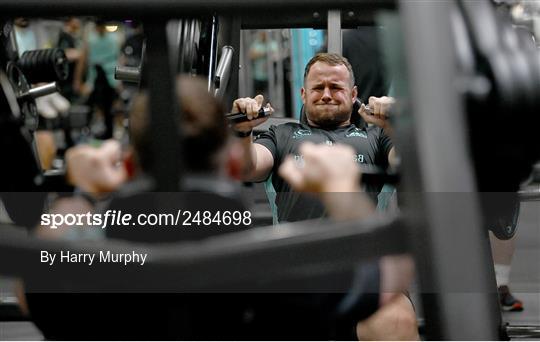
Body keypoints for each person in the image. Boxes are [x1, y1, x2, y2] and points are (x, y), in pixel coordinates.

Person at [232, 52, 397, 223]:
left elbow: (409, 167)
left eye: (336, 87)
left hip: (361, 247)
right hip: (297, 248)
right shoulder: (280, 134)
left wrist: (396, 125)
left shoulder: (377, 136)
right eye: (318, 88)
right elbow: (246, 168)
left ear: (353, 94)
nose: (326, 95)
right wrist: (243, 131)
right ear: (304, 94)